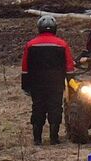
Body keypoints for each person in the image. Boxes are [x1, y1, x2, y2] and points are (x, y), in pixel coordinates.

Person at [20, 14, 75, 146]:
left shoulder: (30, 44)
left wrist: (25, 85)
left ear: (39, 28)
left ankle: (37, 139)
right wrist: (70, 82)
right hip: (56, 83)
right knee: (55, 108)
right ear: (55, 28)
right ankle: (54, 138)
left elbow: (25, 67)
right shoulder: (62, 44)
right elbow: (69, 66)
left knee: (38, 108)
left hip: (36, 83)